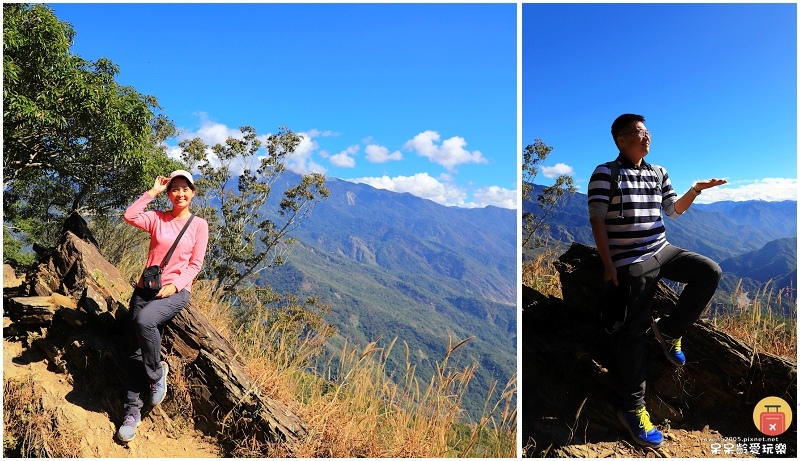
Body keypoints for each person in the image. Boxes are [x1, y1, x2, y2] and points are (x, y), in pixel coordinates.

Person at [588, 114, 726, 448]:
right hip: (629, 261)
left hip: (660, 249)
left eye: (647, 132)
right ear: (621, 140)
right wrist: (608, 265)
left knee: (710, 272)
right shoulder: (605, 173)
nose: (646, 138)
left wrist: (695, 190)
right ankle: (634, 409)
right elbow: (596, 220)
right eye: (639, 133)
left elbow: (673, 211)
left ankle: (669, 329)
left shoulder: (657, 172)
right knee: (631, 332)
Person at [117, 170, 209, 443]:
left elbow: (195, 264)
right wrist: (152, 192)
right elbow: (129, 216)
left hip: (175, 293)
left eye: (185, 189)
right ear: (169, 193)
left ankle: (157, 374)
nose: (180, 194)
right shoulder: (157, 217)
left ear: (192, 193)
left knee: (144, 322)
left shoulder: (199, 225)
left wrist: (177, 285)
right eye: (174, 189)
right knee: (135, 352)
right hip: (145, 290)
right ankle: (131, 413)